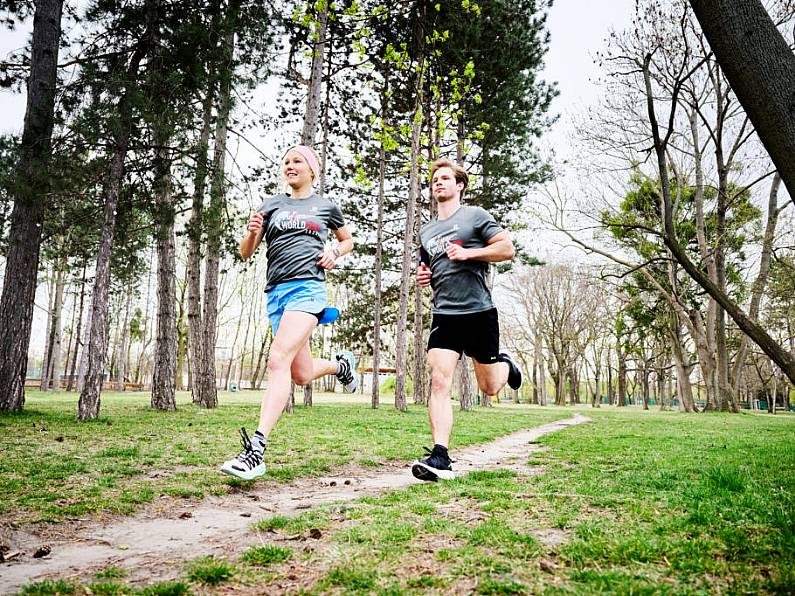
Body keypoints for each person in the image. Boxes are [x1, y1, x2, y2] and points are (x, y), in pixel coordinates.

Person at [220, 145, 357, 480]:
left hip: (308, 289)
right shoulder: (271, 205)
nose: (289, 166)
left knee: (276, 359)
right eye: (286, 162)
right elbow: (245, 253)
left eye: (297, 161)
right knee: (300, 373)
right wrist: (253, 231)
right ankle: (341, 365)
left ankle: (256, 450)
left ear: (313, 170)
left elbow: (348, 241)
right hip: (276, 293)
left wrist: (334, 252)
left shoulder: (325, 207)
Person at [412, 158, 522, 482]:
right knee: (439, 380)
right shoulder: (427, 231)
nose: (438, 183)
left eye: (445, 178)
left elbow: (507, 249)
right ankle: (440, 455)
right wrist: (424, 275)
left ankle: (507, 367)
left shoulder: (474, 217)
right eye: (435, 179)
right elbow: (428, 265)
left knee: (488, 387)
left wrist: (469, 253)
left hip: (478, 312)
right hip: (444, 314)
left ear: (459, 185)